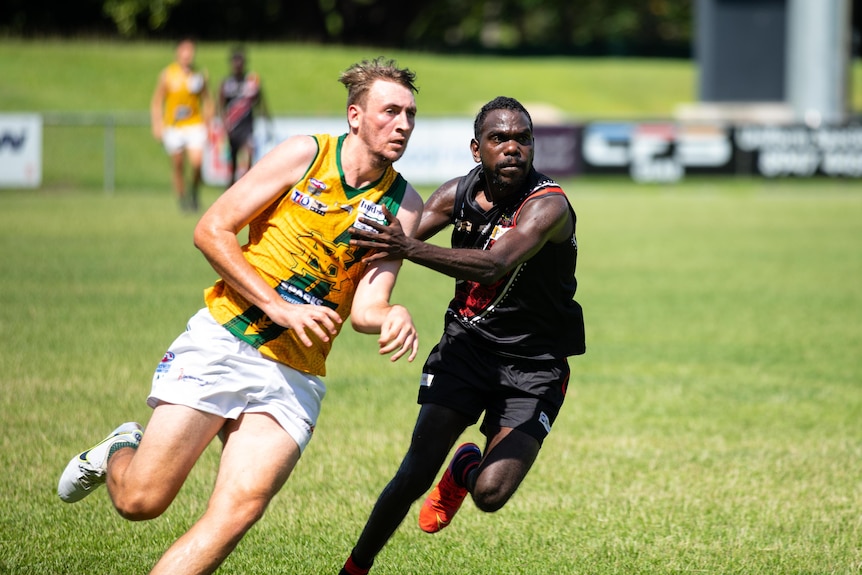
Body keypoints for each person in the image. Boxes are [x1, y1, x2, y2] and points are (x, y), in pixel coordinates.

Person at [58, 57, 424, 575]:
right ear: (355, 116)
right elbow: (212, 229)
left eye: (411, 113)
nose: (404, 124)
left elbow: (367, 304)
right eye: (391, 111)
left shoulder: (405, 204)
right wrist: (278, 306)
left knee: (238, 510)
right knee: (140, 501)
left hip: (295, 372)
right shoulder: (305, 155)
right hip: (227, 338)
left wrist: (391, 313)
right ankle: (122, 445)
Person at [339, 96, 586, 575]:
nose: (512, 148)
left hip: (534, 365)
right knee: (413, 473)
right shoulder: (457, 193)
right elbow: (390, 237)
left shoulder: (549, 206)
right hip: (466, 350)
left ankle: (466, 468)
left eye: (522, 139)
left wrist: (405, 246)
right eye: (499, 139)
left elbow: (495, 263)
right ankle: (354, 568)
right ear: (478, 149)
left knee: (490, 494)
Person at [150, 38, 214, 212]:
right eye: (184, 51)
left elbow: (208, 101)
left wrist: (209, 123)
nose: (187, 55)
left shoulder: (199, 76)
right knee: (178, 164)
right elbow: (157, 101)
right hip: (174, 126)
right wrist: (157, 124)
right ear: (178, 53)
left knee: (197, 163)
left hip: (194, 124)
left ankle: (194, 191)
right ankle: (181, 197)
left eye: (190, 51)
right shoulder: (168, 75)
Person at [218, 46, 272, 186]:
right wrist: (224, 125)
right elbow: (220, 106)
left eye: (240, 61)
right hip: (232, 128)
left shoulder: (251, 81)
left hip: (247, 128)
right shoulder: (226, 83)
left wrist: (268, 123)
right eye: (235, 61)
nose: (238, 65)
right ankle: (230, 189)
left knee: (248, 153)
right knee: (233, 163)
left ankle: (246, 186)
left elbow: (261, 103)